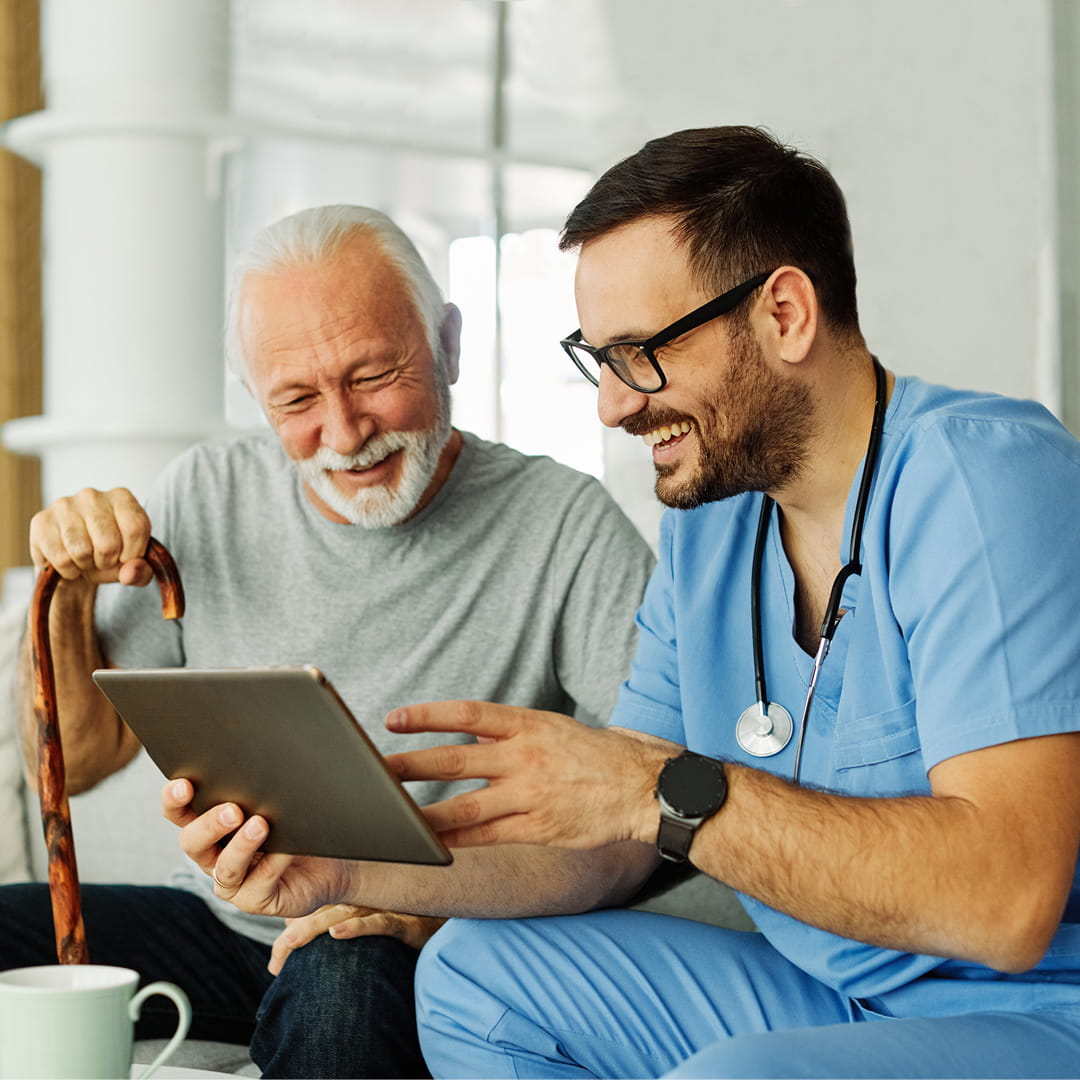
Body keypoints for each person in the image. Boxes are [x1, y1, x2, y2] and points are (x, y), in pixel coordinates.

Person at [167, 128, 1080, 1078]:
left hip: (1031, 1006)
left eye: (640, 353)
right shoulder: (714, 522)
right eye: (595, 357)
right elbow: (612, 846)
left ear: (784, 314)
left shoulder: (981, 480)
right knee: (475, 978)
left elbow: (1007, 903)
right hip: (825, 980)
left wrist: (658, 785)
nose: (610, 404)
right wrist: (343, 871)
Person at [1, 204, 655, 1079]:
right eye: (298, 400)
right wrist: (71, 589)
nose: (346, 435)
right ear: (257, 397)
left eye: (375, 375)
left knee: (344, 970)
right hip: (226, 920)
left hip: (413, 935)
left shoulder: (566, 525)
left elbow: (654, 814)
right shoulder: (206, 491)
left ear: (448, 346)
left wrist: (431, 909)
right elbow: (76, 763)